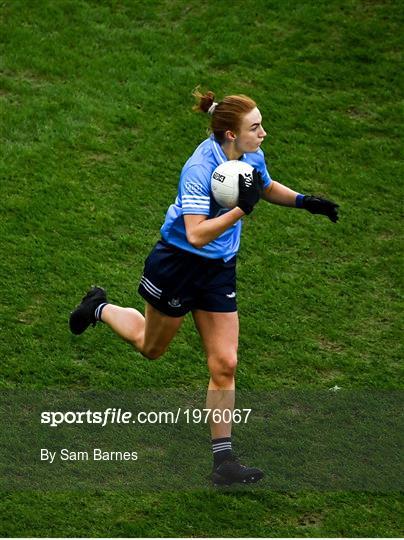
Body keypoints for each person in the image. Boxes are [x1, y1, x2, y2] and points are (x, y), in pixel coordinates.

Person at [69, 89, 339, 486]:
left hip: (218, 270)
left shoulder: (250, 155)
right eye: (255, 127)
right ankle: (99, 307)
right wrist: (239, 211)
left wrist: (305, 202)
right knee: (150, 347)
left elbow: (262, 186)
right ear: (230, 134)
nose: (263, 133)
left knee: (225, 363)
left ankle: (223, 462)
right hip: (178, 264)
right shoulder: (198, 168)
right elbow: (195, 234)